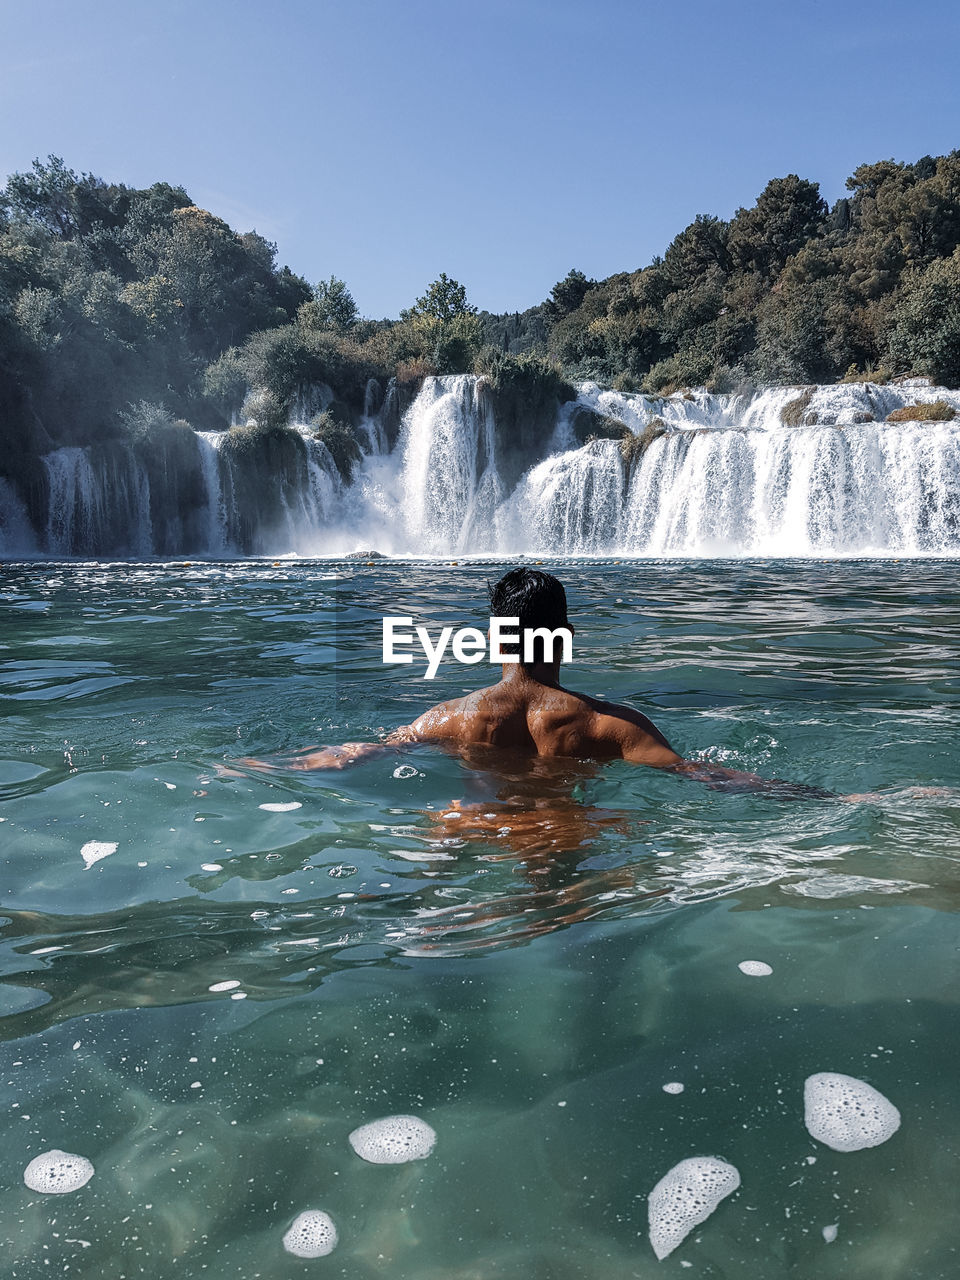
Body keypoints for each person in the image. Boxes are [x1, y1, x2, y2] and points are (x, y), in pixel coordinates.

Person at [270, 567, 833, 799]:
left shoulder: (446, 718)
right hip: (563, 839)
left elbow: (357, 754)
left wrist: (260, 766)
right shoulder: (610, 728)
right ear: (563, 636)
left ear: (494, 639)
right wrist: (823, 798)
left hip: (467, 829)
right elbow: (702, 776)